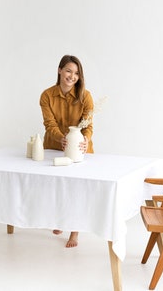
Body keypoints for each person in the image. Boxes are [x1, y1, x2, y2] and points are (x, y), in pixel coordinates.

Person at [39, 55, 94, 248]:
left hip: (79, 150)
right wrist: (60, 138)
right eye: (69, 71)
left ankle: (74, 232)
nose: (72, 76)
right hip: (55, 146)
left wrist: (86, 139)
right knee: (55, 186)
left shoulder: (85, 96)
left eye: (77, 73)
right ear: (59, 70)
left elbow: (88, 125)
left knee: (76, 189)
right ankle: (59, 220)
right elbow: (49, 124)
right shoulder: (47, 95)